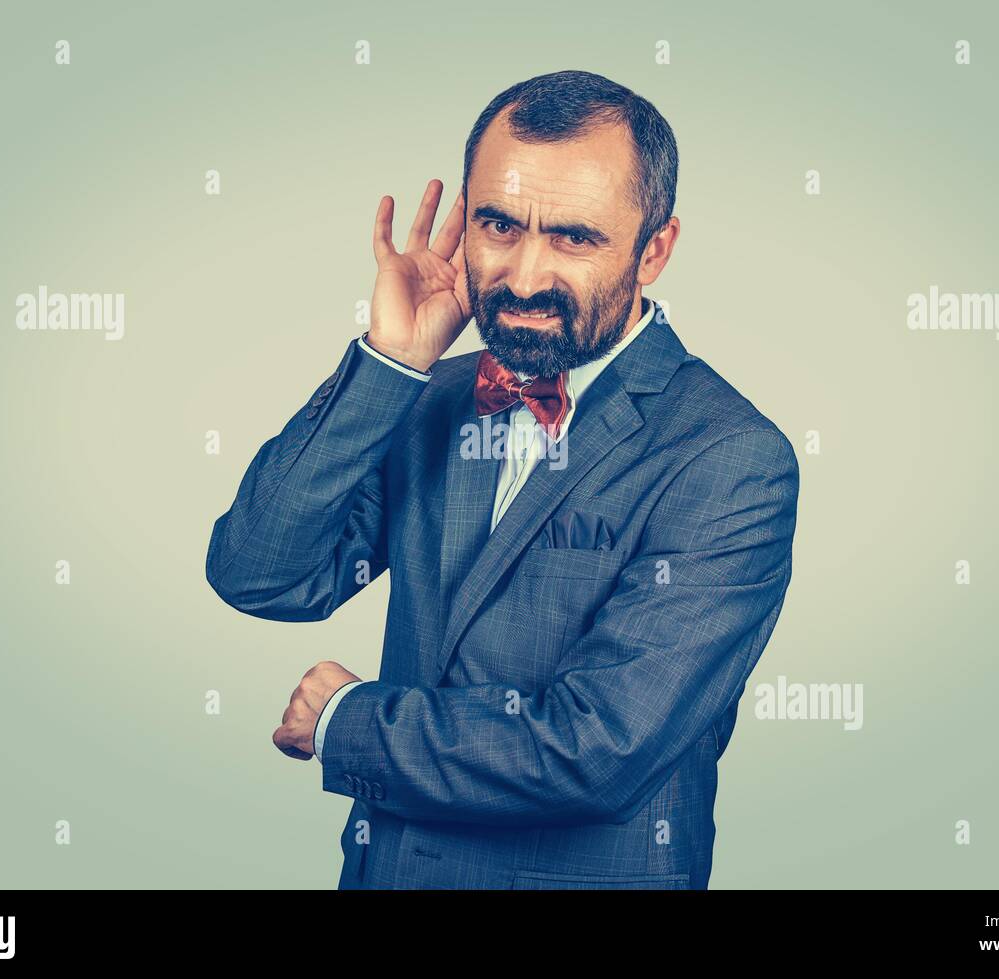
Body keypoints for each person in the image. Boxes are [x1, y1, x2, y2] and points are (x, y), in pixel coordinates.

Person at [206, 70, 799, 889]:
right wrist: (392, 362)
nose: (522, 277)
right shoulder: (430, 397)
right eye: (498, 224)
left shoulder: (732, 458)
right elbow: (258, 573)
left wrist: (348, 720)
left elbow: (596, 749)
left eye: (574, 238)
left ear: (653, 250)